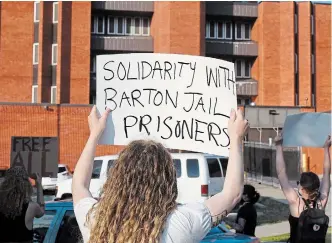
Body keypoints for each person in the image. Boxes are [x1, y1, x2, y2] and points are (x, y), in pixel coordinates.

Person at [72, 106, 249, 243]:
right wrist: (236, 139)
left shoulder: (94, 219)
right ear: (167, 179)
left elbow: (79, 184)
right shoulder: (180, 222)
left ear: (117, 176)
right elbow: (232, 195)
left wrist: (94, 135)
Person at [275, 133, 331, 243]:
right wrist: (326, 149)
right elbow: (327, 172)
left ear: (302, 189)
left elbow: (281, 173)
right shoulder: (321, 201)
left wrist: (278, 146)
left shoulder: (296, 202)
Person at [0, 167, 45, 243]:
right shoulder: (31, 207)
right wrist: (39, 185)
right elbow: (41, 211)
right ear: (26, 186)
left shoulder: (1, 205)